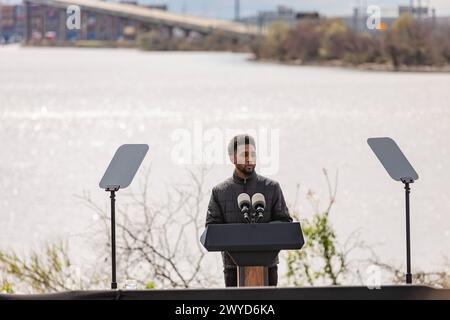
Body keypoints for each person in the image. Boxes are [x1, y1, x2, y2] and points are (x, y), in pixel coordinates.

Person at [205, 134, 293, 287]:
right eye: (244, 155)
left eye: (253, 154)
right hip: (233, 268)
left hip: (268, 267)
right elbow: (211, 229)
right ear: (232, 158)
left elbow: (285, 222)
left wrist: (262, 233)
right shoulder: (219, 192)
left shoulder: (271, 188)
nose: (250, 158)